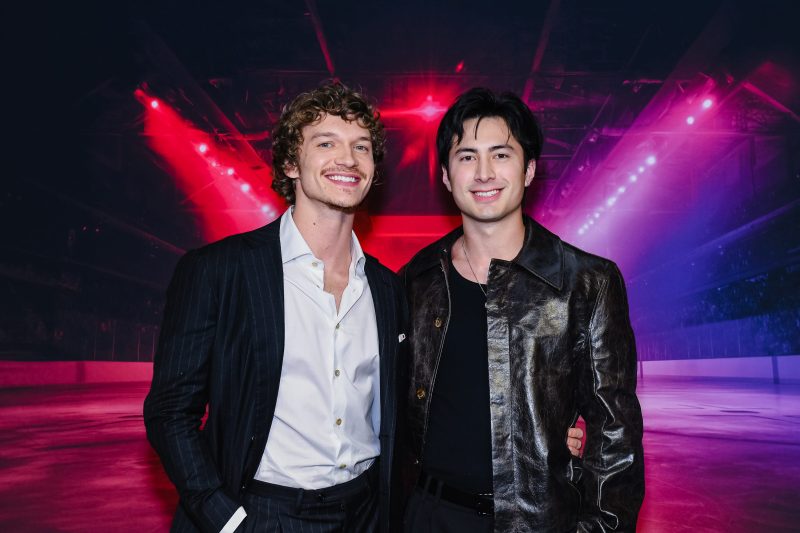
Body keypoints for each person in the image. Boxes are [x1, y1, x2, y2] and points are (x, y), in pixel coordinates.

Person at [144, 82, 406, 533]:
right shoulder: (218, 270)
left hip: (364, 513)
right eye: (326, 143)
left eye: (361, 146)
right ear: (290, 163)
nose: (348, 158)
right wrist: (224, 518)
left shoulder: (388, 288)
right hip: (263, 514)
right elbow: (170, 411)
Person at [400, 88, 645, 532]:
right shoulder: (415, 280)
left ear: (529, 169)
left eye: (501, 154)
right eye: (467, 157)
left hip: (536, 522)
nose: (484, 173)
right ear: (446, 175)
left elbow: (616, 439)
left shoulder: (587, 283)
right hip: (426, 516)